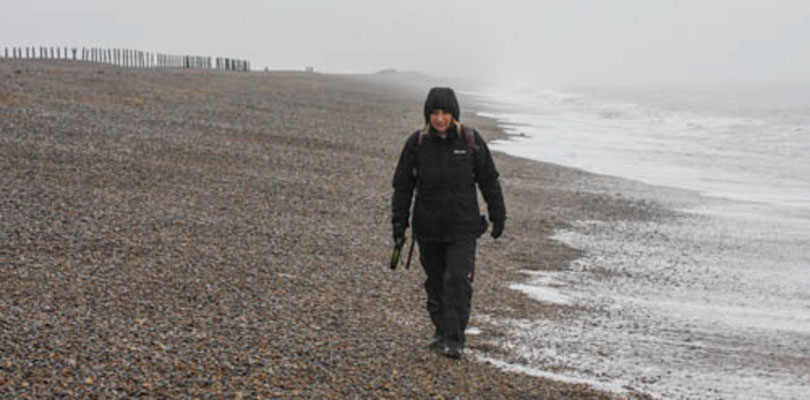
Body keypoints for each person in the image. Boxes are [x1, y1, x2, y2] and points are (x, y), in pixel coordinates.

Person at [391, 87, 506, 359]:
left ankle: (455, 339)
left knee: (456, 280)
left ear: (454, 114)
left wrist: (498, 214)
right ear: (427, 115)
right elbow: (402, 188)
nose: (440, 118)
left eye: (445, 113)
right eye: (434, 113)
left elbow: (489, 180)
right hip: (428, 228)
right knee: (435, 282)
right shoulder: (417, 144)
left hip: (462, 228)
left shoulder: (470, 141)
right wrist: (399, 226)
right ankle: (441, 330)